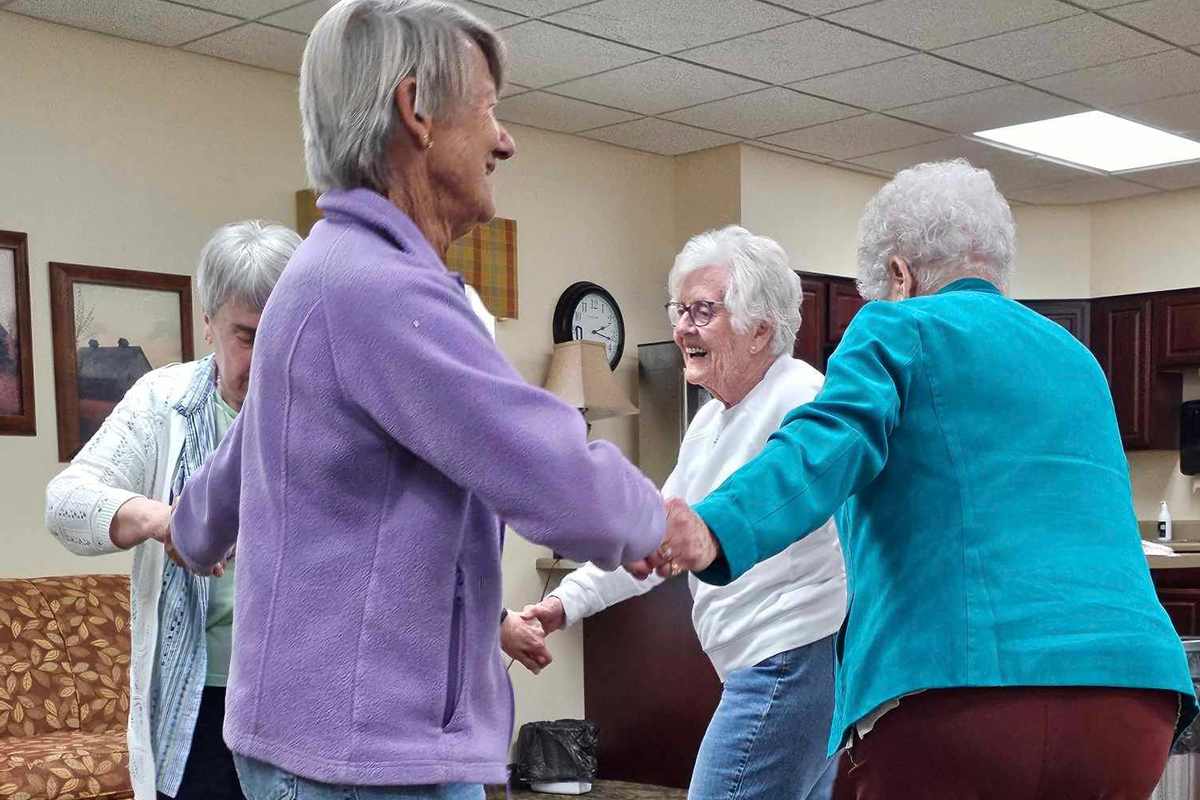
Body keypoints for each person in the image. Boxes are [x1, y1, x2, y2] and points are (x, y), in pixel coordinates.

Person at [167, 3, 665, 800]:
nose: (506, 139)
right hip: (362, 757)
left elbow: (247, 455)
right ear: (417, 111)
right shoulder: (379, 289)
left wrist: (194, 530)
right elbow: (531, 453)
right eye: (490, 107)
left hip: (322, 743)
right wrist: (650, 520)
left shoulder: (324, 275)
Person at [639, 159, 1198, 800]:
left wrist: (717, 525)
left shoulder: (898, 326)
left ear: (899, 275)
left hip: (962, 696)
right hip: (1132, 704)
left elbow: (823, 446)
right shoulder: (1077, 357)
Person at [519, 225, 845, 800]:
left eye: (702, 311)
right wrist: (561, 603)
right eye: (680, 309)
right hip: (768, 666)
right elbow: (656, 538)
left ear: (760, 328)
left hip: (791, 660)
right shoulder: (711, 422)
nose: (682, 328)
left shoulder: (803, 401)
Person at [45, 220, 302, 800]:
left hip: (308, 705)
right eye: (246, 335)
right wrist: (167, 523)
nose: (266, 359)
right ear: (207, 322)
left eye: (285, 334)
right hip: (202, 703)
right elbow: (65, 501)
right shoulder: (162, 401)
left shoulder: (337, 410)